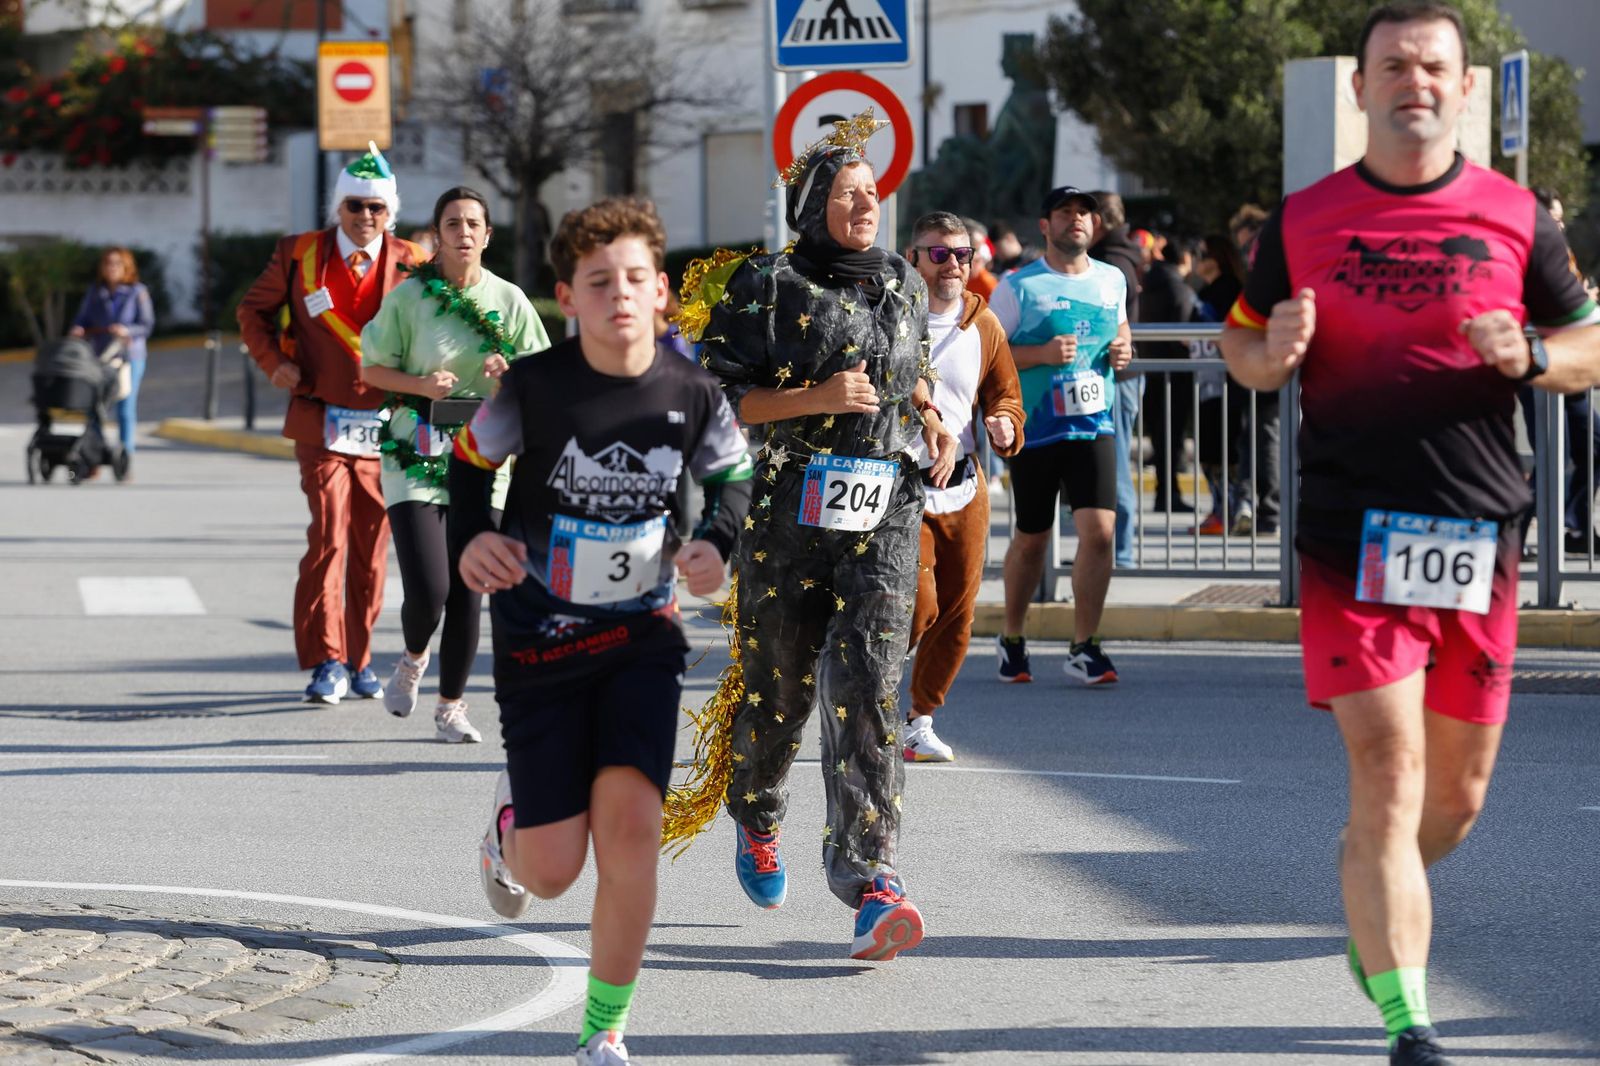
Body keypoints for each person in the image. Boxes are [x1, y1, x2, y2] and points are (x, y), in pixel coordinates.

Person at [1219, 5, 1600, 1063]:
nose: (1414, 80)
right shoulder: (1306, 218)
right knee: (1386, 771)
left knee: (1455, 798)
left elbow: (1587, 344)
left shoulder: (1515, 214)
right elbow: (1241, 344)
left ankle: (1372, 892)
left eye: (1434, 64)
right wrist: (1271, 351)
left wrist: (1529, 354)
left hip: (1479, 530)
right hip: (1351, 535)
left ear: (1463, 86)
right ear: (1360, 87)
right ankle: (1407, 1016)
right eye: (1393, 64)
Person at [454, 197, 752, 1066]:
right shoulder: (533, 389)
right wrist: (473, 536)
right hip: (540, 636)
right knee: (550, 872)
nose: (618, 295)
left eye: (633, 280)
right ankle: (511, 823)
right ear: (567, 298)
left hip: (640, 638)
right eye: (598, 282)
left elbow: (732, 476)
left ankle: (603, 1030)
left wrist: (714, 544)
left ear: (660, 293)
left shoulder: (690, 391)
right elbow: (469, 468)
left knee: (630, 828)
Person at [694, 112, 957, 959]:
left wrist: (935, 420)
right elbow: (713, 401)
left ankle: (873, 882)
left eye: (872, 192)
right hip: (785, 520)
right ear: (811, 205)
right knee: (781, 689)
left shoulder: (903, 283)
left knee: (872, 688)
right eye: (846, 194)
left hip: (884, 513)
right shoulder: (767, 285)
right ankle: (758, 813)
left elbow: (906, 372)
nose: (865, 205)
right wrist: (813, 399)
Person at [361, 185, 551, 743]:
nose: (463, 233)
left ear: (487, 235)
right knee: (429, 589)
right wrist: (418, 384)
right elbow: (373, 370)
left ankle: (451, 706)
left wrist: (508, 371)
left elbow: (543, 378)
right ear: (436, 238)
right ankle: (413, 657)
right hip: (414, 451)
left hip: (484, 456)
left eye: (473, 224)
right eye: (452, 224)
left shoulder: (510, 300)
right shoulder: (407, 300)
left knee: (470, 585)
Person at [238, 145, 427, 704]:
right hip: (321, 418)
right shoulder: (300, 254)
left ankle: (360, 658)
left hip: (388, 426)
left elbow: (438, 325)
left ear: (389, 212)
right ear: (337, 207)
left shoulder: (415, 260)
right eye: (354, 206)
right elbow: (253, 311)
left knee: (371, 548)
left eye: (375, 208)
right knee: (329, 536)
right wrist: (274, 363)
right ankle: (326, 661)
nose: (364, 217)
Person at [993, 186, 1133, 685]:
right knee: (1033, 539)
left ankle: (1085, 645)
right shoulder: (1018, 286)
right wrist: (1042, 355)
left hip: (1094, 424)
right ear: (1045, 225)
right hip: (1036, 427)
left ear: (1095, 226)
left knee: (1100, 533)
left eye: (1085, 213)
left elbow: (1121, 333)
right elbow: (992, 353)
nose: (1077, 220)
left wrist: (1122, 351)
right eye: (1065, 212)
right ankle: (1011, 636)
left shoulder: (1112, 279)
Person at [901, 211, 1024, 762]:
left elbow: (1007, 396)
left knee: (957, 610)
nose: (953, 264)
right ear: (912, 259)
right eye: (939, 253)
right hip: (900, 484)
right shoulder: (892, 322)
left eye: (962, 255)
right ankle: (866, 693)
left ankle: (918, 720)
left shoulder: (986, 325)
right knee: (918, 605)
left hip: (965, 485)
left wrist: (1004, 425)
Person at [1519, 187, 1600, 555]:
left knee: (1594, 445)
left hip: (1573, 368)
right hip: (1541, 369)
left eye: (1561, 218)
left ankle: (1579, 529)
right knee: (1556, 455)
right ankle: (1513, 537)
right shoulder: (1526, 252)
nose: (1559, 225)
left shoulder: (1559, 253)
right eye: (1552, 218)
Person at [1088, 191, 1144, 568]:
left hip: (1117, 374)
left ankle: (1120, 551)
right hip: (1121, 374)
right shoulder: (1126, 256)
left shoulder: (1110, 264)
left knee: (1117, 463)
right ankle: (1116, 549)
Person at [69, 247, 155, 473]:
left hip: (129, 357)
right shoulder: (96, 292)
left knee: (125, 407)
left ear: (126, 266)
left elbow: (146, 325)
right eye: (108, 263)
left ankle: (124, 459)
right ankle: (93, 456)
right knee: (95, 406)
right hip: (100, 356)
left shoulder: (137, 292)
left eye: (117, 263)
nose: (111, 268)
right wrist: (78, 329)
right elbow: (82, 318)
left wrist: (127, 330)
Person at [1139, 234, 1199, 514]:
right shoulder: (1179, 289)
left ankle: (1165, 493)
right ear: (1185, 259)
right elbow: (1185, 336)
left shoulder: (1149, 285)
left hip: (1152, 370)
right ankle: (1168, 495)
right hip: (1175, 373)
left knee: (1161, 439)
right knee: (1171, 439)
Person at [964, 217, 1000, 300]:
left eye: (979, 249)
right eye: (973, 249)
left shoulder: (988, 286)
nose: (979, 257)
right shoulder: (935, 281)